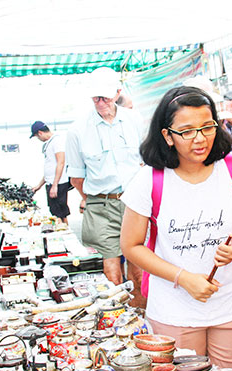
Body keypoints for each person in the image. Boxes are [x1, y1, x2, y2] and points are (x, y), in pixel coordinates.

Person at [120, 86, 232, 371]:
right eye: (186, 131)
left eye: (207, 127)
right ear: (167, 136)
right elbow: (131, 246)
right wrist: (183, 278)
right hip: (174, 312)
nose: (200, 139)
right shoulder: (149, 180)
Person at [65, 67, 145, 307]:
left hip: (135, 203)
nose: (100, 103)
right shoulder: (77, 130)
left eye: (105, 97)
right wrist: (93, 198)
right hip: (102, 203)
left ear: (118, 93)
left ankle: (139, 316)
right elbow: (76, 178)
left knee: (138, 267)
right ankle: (117, 315)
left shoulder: (135, 121)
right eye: (95, 98)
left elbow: (147, 163)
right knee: (111, 268)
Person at [29, 120, 71, 222]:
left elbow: (61, 162)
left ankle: (64, 233)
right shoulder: (50, 143)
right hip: (52, 183)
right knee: (55, 212)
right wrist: (39, 185)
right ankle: (61, 231)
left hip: (58, 184)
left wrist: (55, 185)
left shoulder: (57, 141)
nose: (38, 139)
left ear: (40, 133)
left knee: (60, 213)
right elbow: (50, 168)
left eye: (37, 137)